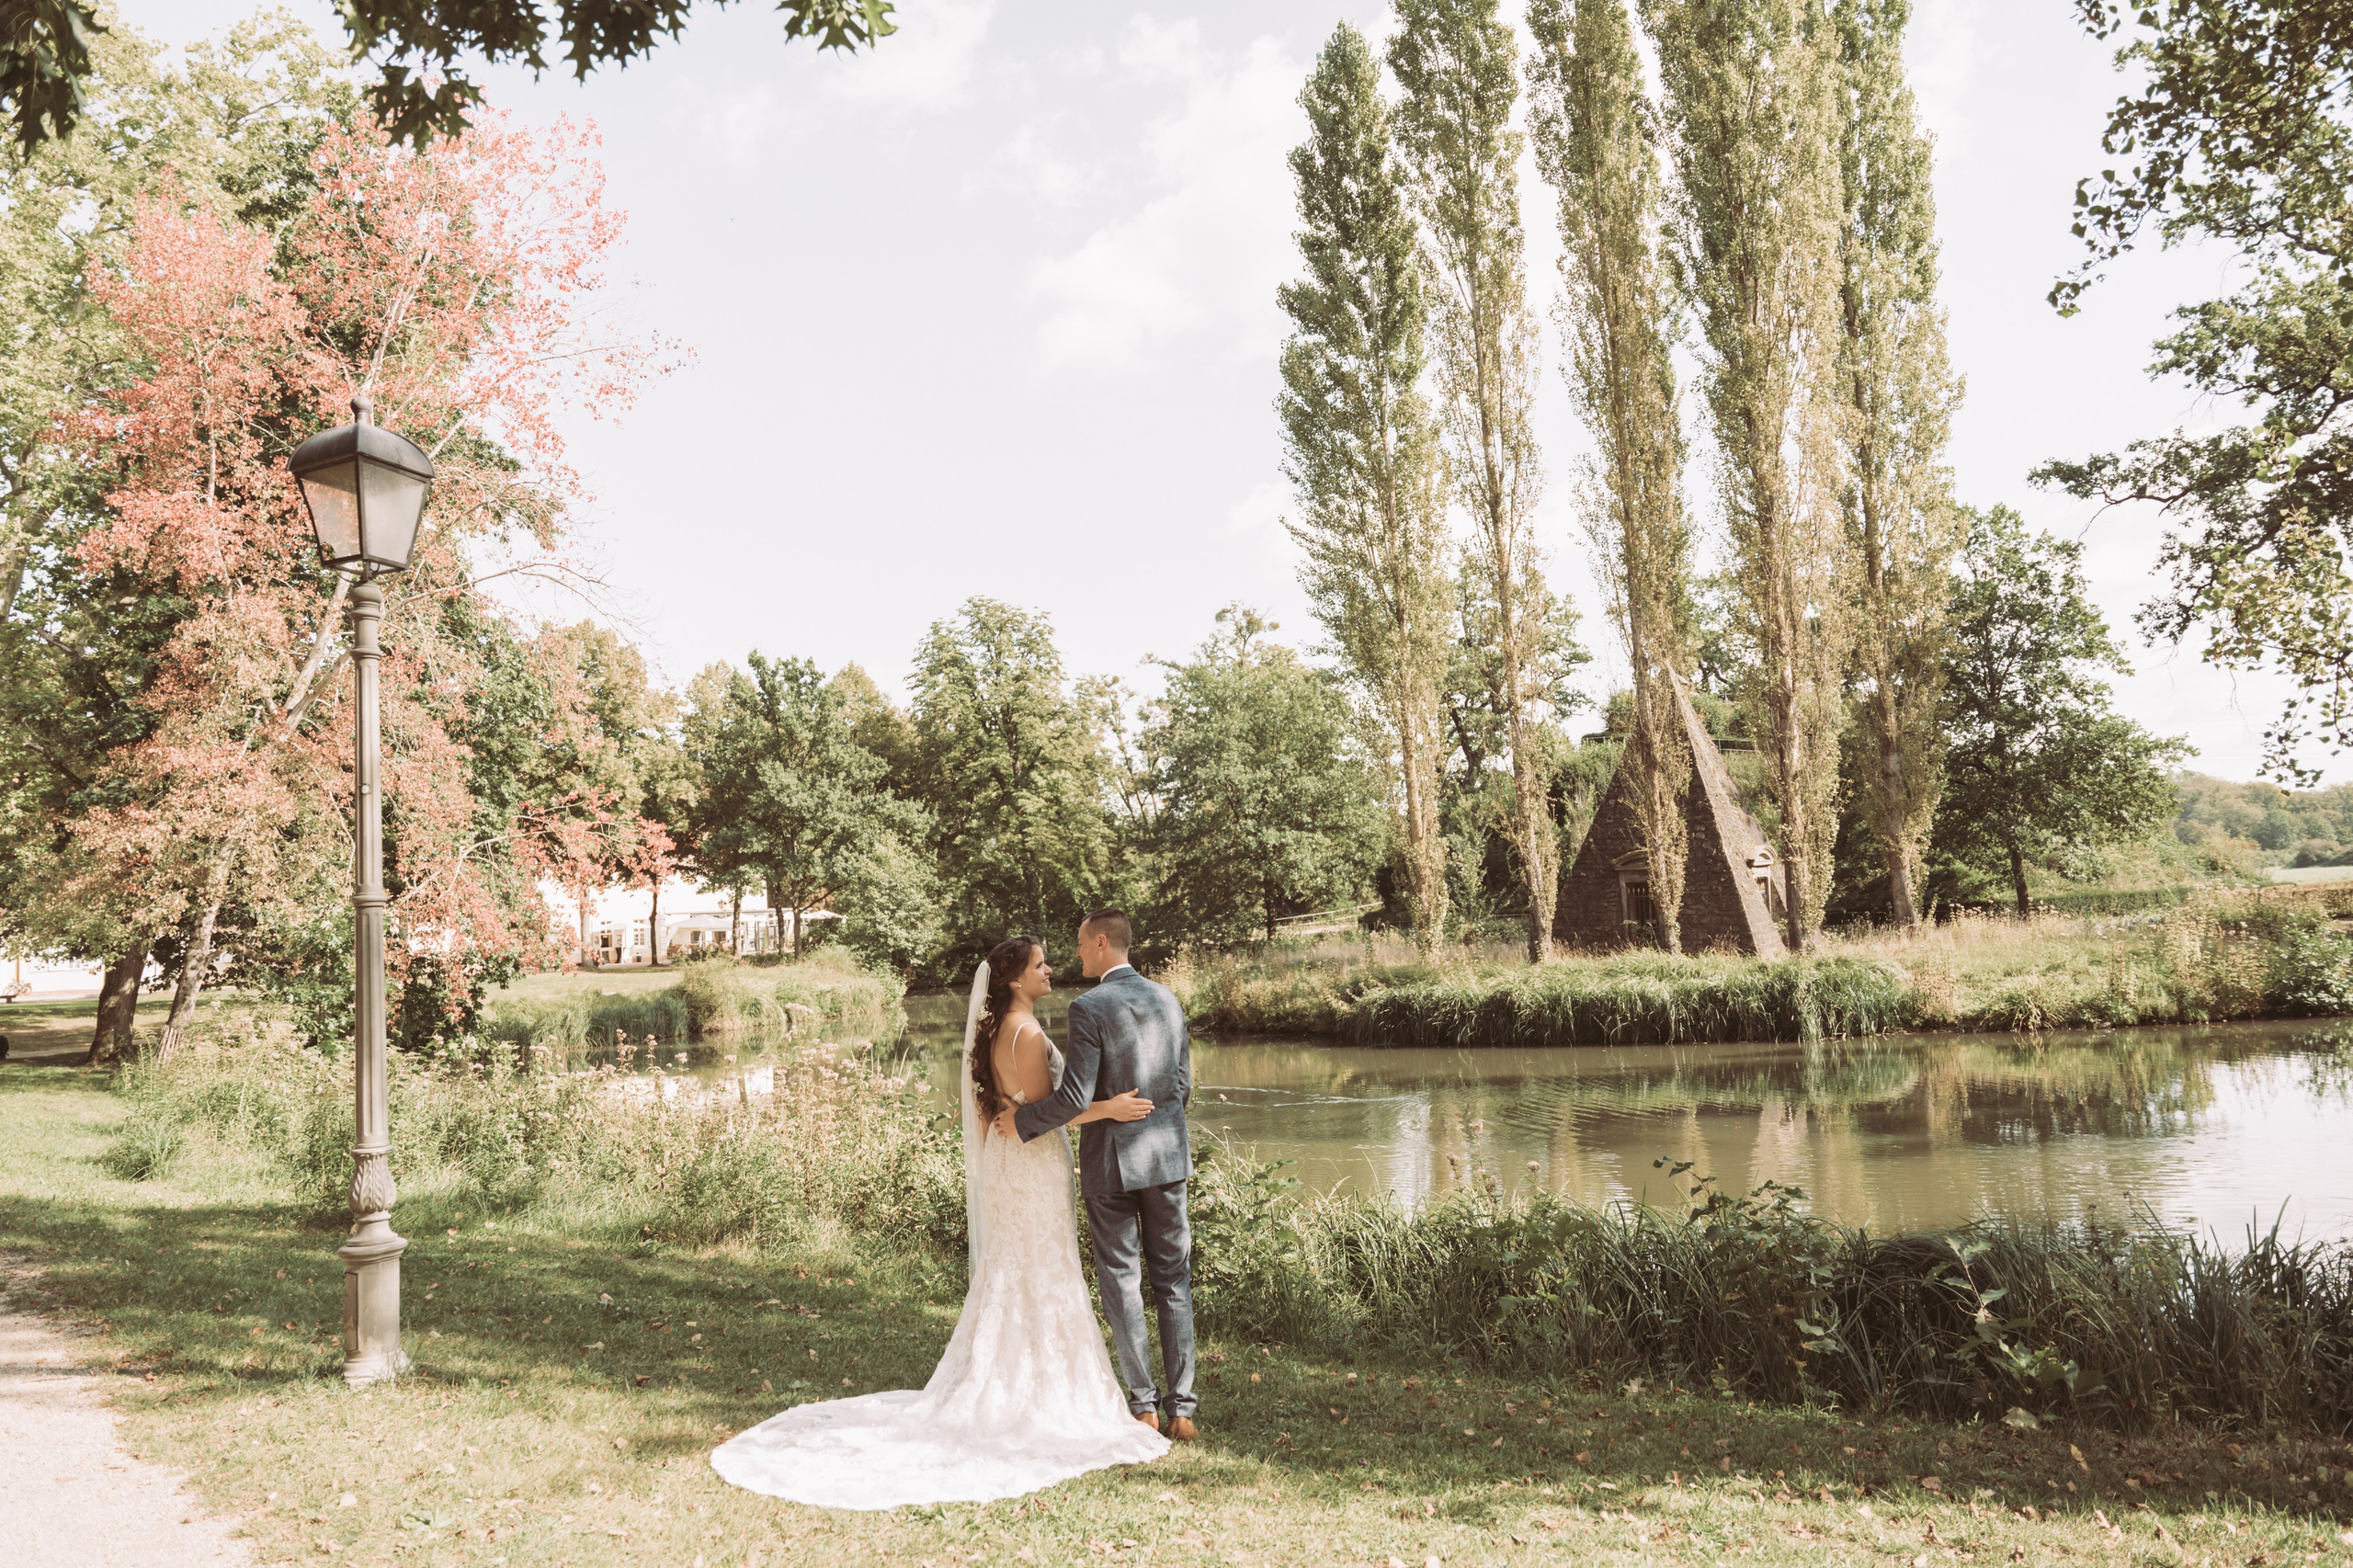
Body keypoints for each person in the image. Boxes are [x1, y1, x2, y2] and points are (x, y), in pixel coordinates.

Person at [710, 934, 1167, 1509]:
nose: (1049, 971)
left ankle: (1007, 1373)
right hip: (1032, 1165)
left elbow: (997, 1110)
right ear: (1013, 980)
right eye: (1039, 965)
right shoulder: (1026, 1034)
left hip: (1007, 1165)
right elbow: (1052, 1113)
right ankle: (1037, 1389)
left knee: (1014, 1269)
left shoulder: (993, 1031)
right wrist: (1112, 1108)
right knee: (1041, 1267)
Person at [995, 909, 1198, 1442]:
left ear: (1103, 942)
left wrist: (1023, 1121)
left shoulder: (1089, 1007)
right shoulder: (1168, 999)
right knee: (1173, 1279)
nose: (1077, 955)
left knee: (1122, 1280)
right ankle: (1184, 1410)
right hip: (1167, 1161)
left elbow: (1074, 1098)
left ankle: (1144, 1407)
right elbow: (1182, 1085)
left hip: (1109, 1165)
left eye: (1082, 946)